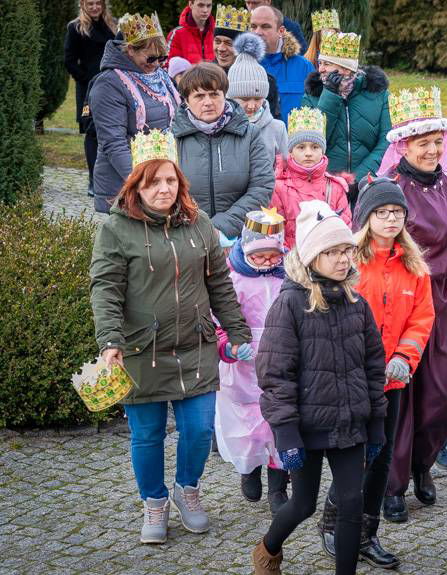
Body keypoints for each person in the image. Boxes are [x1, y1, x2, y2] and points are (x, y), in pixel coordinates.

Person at [89, 130, 251, 544]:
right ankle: (154, 502)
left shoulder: (199, 225)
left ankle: (188, 490)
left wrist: (237, 331)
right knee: (148, 435)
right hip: (141, 350)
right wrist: (110, 341)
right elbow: (105, 287)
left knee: (198, 430)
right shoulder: (116, 228)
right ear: (137, 186)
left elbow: (220, 285)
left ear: (181, 183)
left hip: (195, 347)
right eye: (153, 182)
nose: (163, 189)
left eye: (171, 181)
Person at [252, 200, 387, 575]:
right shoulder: (290, 305)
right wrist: (286, 434)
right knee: (303, 504)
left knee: (351, 503)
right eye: (332, 252)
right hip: (307, 428)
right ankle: (267, 549)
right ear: (312, 257)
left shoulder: (357, 303)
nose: (343, 259)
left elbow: (374, 367)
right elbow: (275, 374)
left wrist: (375, 424)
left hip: (350, 424)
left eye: (347, 250)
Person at [317, 177, 435, 569]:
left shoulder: (414, 266)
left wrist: (404, 356)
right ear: (367, 217)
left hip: (395, 377)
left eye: (397, 213)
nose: (390, 219)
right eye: (382, 213)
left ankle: (367, 533)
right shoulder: (349, 262)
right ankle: (335, 519)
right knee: (356, 454)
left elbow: (422, 318)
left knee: (382, 456)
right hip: (354, 377)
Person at [376, 86, 447, 523]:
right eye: (422, 143)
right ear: (403, 145)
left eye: (437, 142)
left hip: (444, 299)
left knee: (441, 396)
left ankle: (422, 466)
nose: (431, 150)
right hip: (402, 300)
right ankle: (392, 485)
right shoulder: (388, 191)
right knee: (400, 396)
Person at [214, 208, 290, 515]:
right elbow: (216, 319)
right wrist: (230, 346)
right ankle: (249, 468)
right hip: (244, 365)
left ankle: (278, 486)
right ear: (246, 251)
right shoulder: (233, 280)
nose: (268, 263)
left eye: (274, 256)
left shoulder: (287, 279)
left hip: (282, 360)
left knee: (280, 424)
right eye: (260, 257)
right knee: (249, 425)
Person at [89, 12, 181, 213]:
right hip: (127, 184)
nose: (156, 64)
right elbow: (113, 143)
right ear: (130, 50)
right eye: (150, 58)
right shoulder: (109, 84)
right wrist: (144, 184)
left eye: (161, 58)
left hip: (162, 180)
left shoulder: (160, 77)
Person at [172, 62, 274, 240]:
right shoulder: (172, 139)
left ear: (225, 95)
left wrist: (222, 226)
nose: (208, 102)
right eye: (199, 96)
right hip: (186, 237)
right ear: (186, 101)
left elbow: (261, 187)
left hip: (239, 237)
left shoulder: (249, 135)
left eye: (214, 94)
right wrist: (194, 228)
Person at [301, 31, 391, 189]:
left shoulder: (378, 94)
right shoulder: (312, 96)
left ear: (347, 68)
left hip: (369, 183)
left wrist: (359, 179)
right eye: (320, 63)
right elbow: (313, 142)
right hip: (326, 185)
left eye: (327, 64)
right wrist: (329, 95)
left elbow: (387, 141)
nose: (320, 69)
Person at [269, 106, 352, 249]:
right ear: (291, 152)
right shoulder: (279, 187)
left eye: (315, 147)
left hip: (328, 259)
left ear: (322, 151)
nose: (308, 153)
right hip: (291, 263)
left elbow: (345, 228)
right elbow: (275, 233)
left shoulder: (335, 188)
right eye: (301, 147)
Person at [64, 0, 116, 197]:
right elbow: (69, 60)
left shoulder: (112, 25)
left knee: (111, 131)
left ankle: (109, 178)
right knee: (92, 131)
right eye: (90, 4)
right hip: (89, 88)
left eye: (98, 4)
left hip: (112, 86)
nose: (95, 8)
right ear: (83, 5)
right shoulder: (76, 28)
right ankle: (94, 180)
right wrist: (87, 79)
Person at [227, 33, 289, 167]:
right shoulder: (221, 127)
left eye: (258, 98)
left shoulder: (277, 128)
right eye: (244, 99)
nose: (251, 105)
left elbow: (285, 171)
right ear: (230, 97)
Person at [212, 4, 281, 120]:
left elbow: (272, 120)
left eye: (229, 43)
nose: (221, 48)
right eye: (217, 41)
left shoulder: (264, 80)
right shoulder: (205, 78)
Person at [250, 5, 315, 124]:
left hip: (294, 141)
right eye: (253, 27)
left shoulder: (304, 67)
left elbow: (316, 112)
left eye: (265, 27)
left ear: (281, 31)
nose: (258, 32)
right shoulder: (244, 67)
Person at [167, 0, 215, 64]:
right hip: (187, 74)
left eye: (209, 6)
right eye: (201, 5)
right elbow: (169, 65)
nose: (205, 10)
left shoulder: (217, 32)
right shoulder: (177, 34)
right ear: (191, 4)